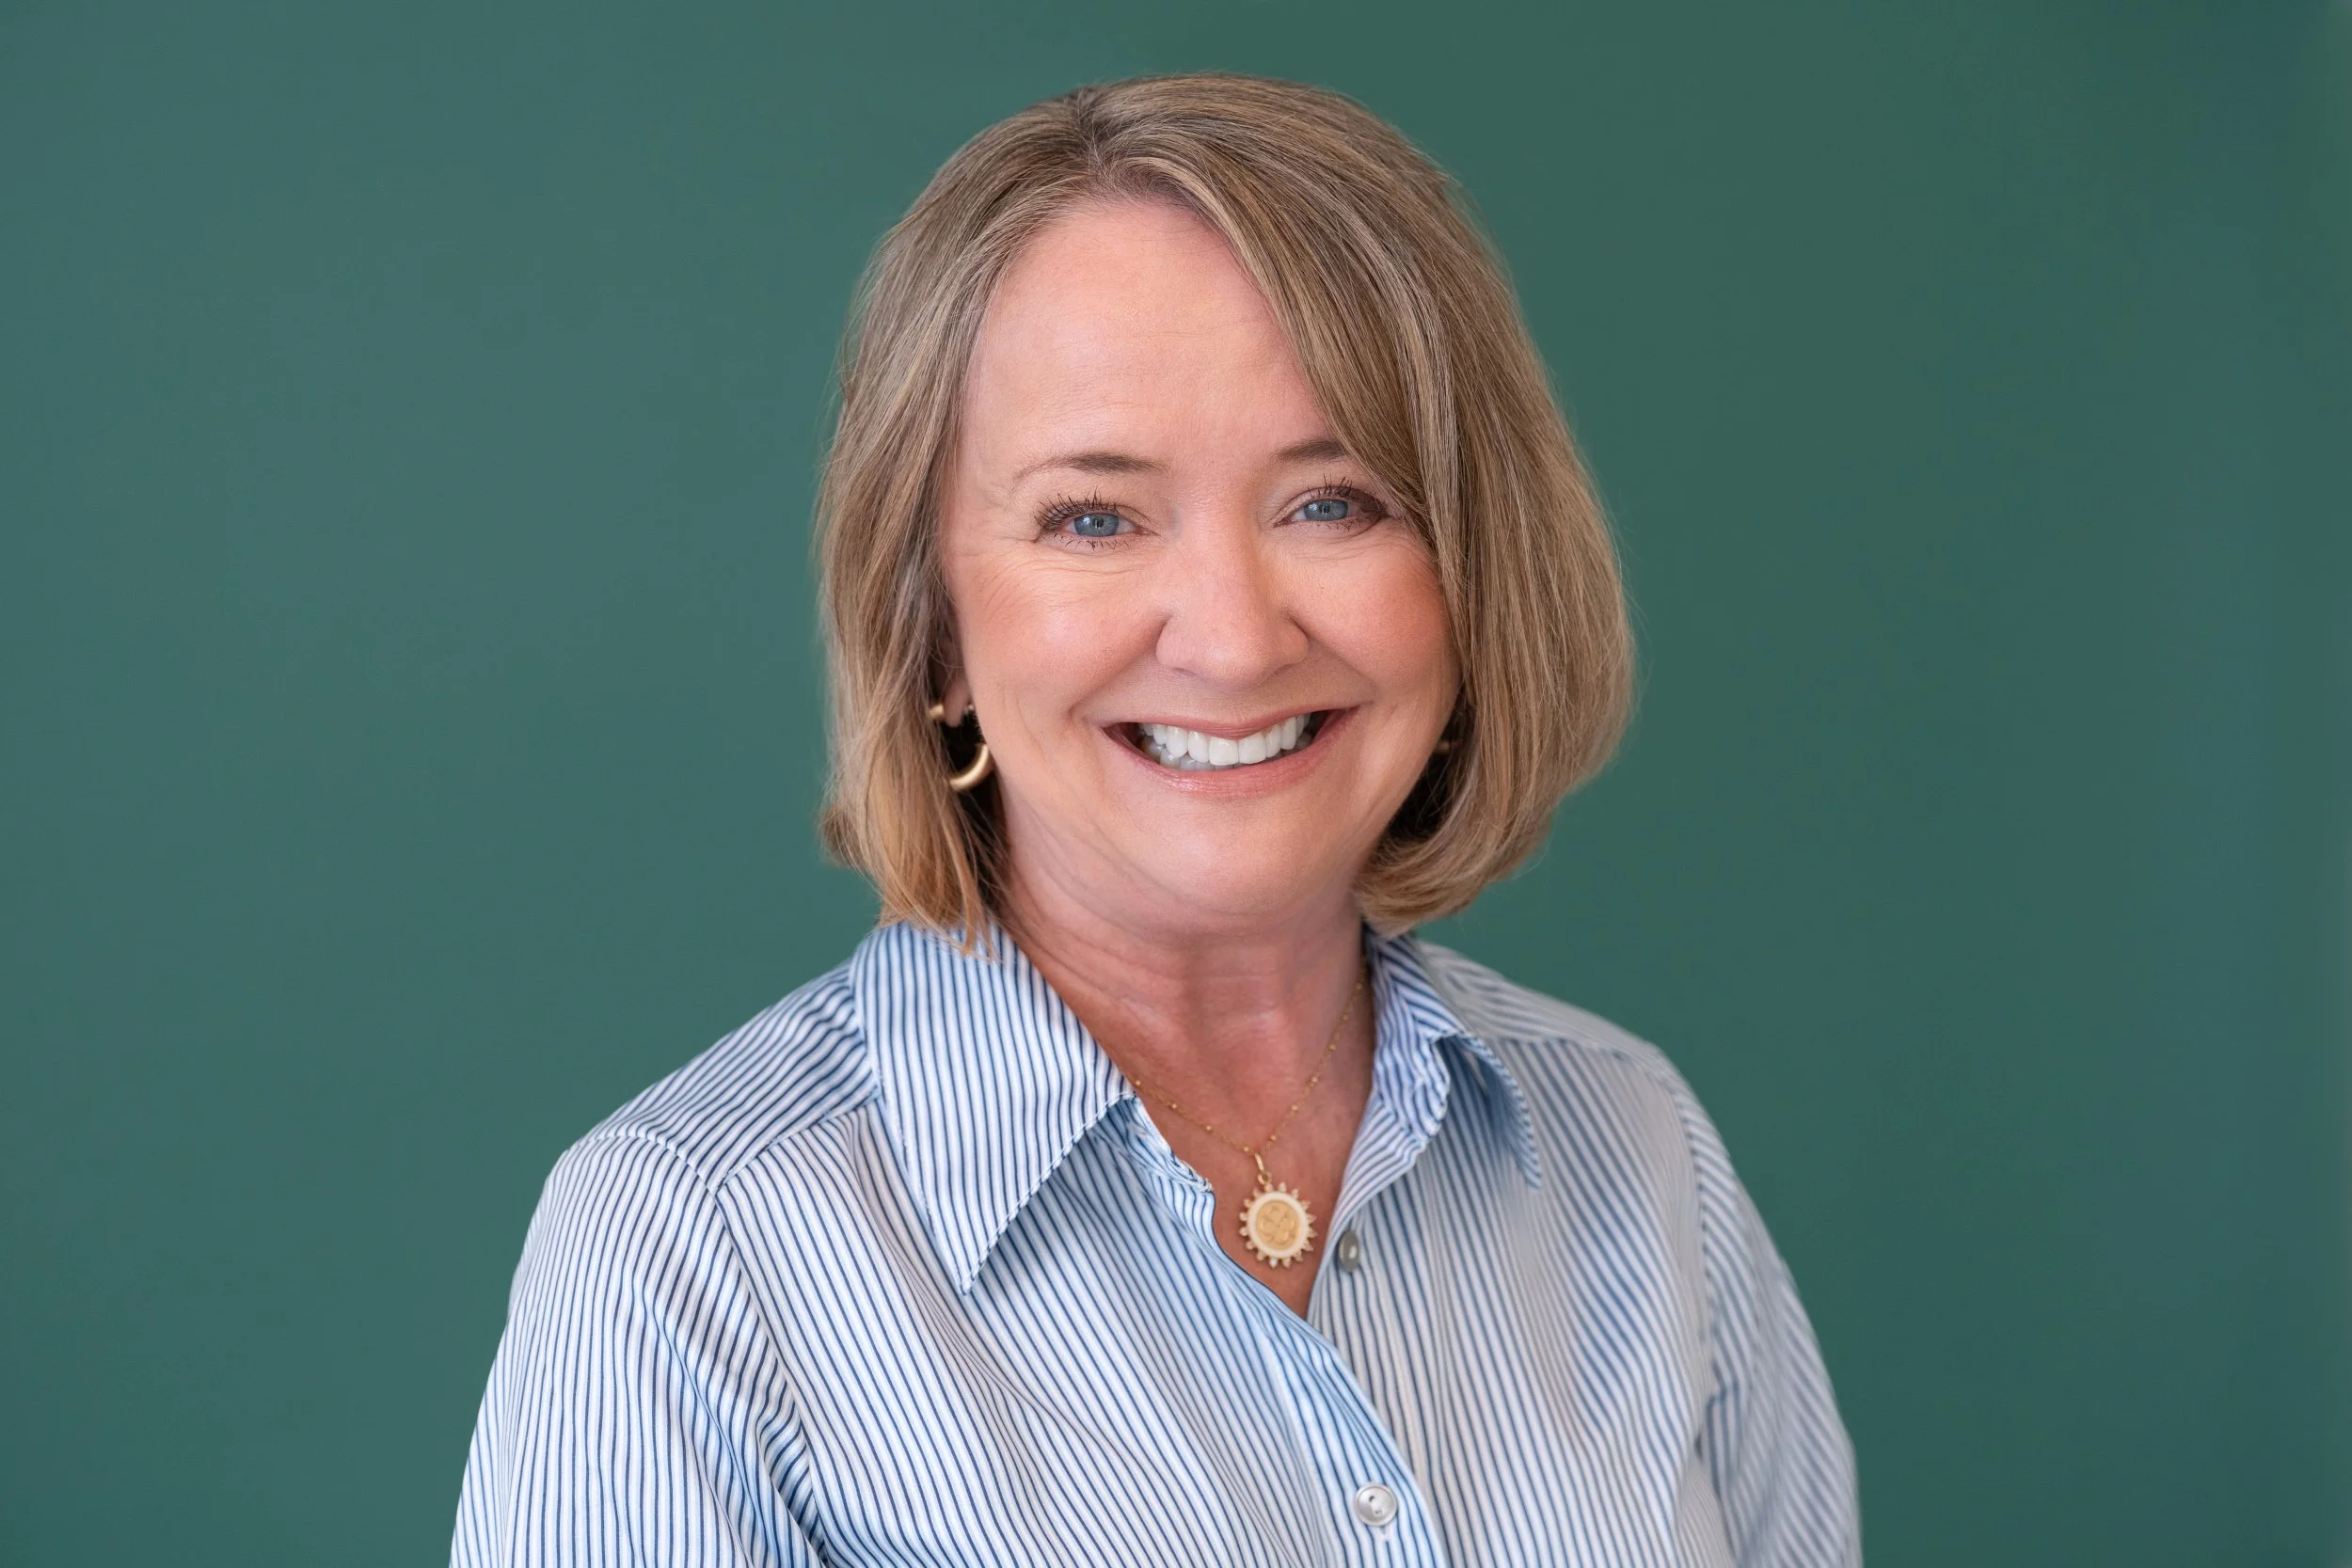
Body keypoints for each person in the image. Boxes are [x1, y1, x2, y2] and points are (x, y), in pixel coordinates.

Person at [453, 72, 1858, 1566]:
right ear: (931, 630)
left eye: (1334, 501)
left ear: (1469, 570)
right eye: (1094, 518)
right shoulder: (692, 1250)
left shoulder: (1632, 1146)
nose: (1236, 640)